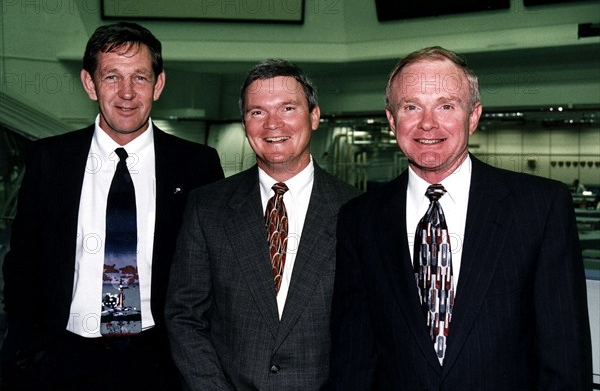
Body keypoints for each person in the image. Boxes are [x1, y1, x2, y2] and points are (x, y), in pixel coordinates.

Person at [329, 46, 592, 390]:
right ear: (392, 119)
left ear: (473, 116)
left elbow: (565, 358)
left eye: (446, 106)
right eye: (411, 107)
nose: (427, 123)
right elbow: (353, 360)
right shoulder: (359, 219)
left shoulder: (539, 209)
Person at [0, 22, 224, 390]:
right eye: (112, 77)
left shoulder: (197, 165)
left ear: (159, 83)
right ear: (90, 84)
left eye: (139, 77)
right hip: (60, 361)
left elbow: (213, 271)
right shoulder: (50, 160)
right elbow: (23, 263)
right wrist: (28, 349)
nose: (126, 93)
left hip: (160, 362)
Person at [165, 59, 359, 390]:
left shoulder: (356, 211)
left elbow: (365, 333)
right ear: (245, 123)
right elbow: (184, 316)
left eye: (287, 108)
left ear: (314, 116)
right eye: (257, 112)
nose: (272, 124)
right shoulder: (207, 207)